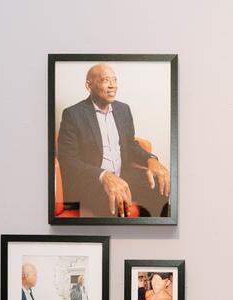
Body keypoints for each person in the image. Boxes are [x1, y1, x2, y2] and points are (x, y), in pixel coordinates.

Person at [57, 63, 171, 217]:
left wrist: (151, 158)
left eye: (114, 80)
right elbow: (69, 161)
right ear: (88, 85)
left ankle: (156, 231)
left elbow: (130, 145)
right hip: (93, 182)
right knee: (117, 203)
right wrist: (104, 175)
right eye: (105, 80)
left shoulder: (123, 110)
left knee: (160, 185)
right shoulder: (73, 114)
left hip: (123, 175)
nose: (112, 86)